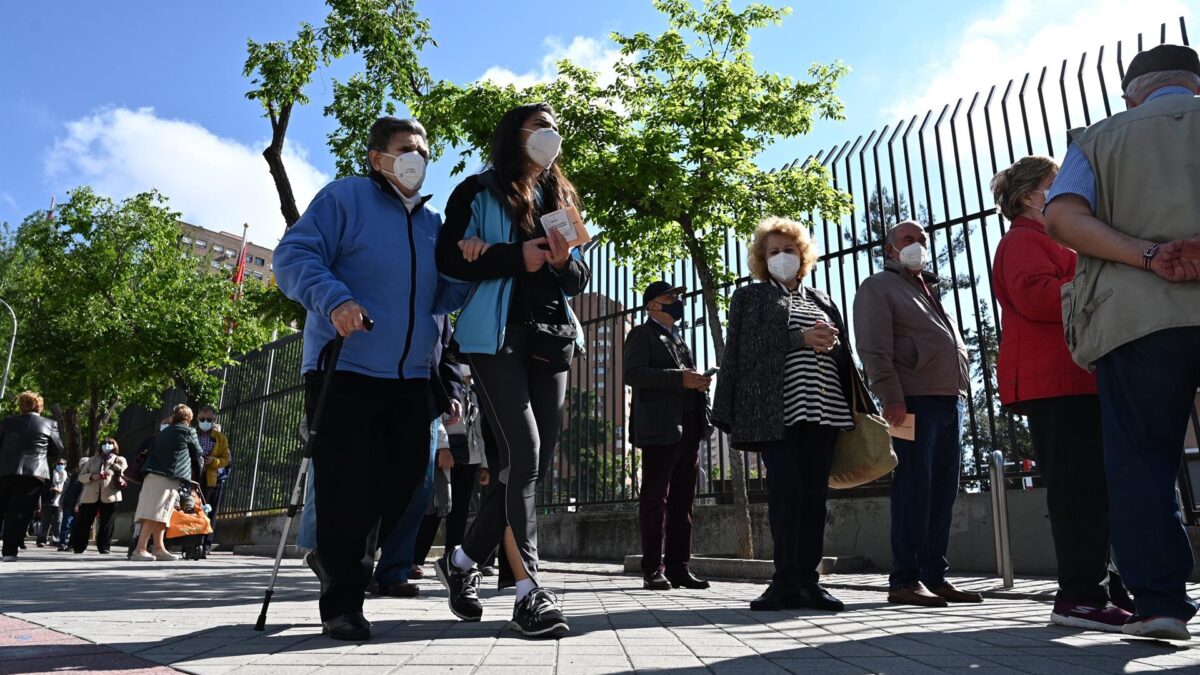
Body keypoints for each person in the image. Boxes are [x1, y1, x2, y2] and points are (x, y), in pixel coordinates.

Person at [275, 116, 463, 642]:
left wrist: (470, 274)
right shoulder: (345, 199)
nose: (417, 158)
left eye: (424, 150)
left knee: (404, 486)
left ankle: (342, 559)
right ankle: (343, 603)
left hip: (410, 378)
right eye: (407, 148)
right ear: (377, 158)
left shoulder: (433, 223)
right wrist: (335, 300)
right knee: (345, 492)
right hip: (346, 367)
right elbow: (293, 256)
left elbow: (443, 297)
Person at [1044, 44, 1200, 641]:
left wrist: (1151, 254)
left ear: (1132, 92)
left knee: (1142, 462)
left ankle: (1160, 603)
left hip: (1137, 318)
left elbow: (1063, 218)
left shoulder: (1099, 138)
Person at [434, 102, 590, 638]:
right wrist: (507, 255)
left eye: (554, 125)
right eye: (537, 125)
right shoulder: (475, 191)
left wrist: (565, 261)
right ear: (513, 134)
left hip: (554, 336)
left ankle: (458, 564)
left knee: (532, 463)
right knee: (522, 453)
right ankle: (529, 592)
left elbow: (577, 279)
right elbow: (448, 259)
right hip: (496, 338)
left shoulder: (561, 195)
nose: (548, 133)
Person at [990, 156, 1133, 631]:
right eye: (1055, 185)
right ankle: (1079, 595)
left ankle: (1102, 585)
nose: (1066, 192)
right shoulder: (1022, 241)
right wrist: (1097, 284)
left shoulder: (1047, 239)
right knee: (1078, 490)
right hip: (1055, 382)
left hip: (1073, 377)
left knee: (1094, 487)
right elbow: (1036, 296)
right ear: (1031, 197)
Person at [712, 217, 862, 612]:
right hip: (777, 413)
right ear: (762, 259)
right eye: (773, 251)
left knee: (815, 497)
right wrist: (800, 338)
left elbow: (844, 354)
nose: (782, 257)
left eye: (789, 250)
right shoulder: (750, 298)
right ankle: (783, 581)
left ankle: (808, 582)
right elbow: (746, 352)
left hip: (825, 412)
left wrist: (833, 345)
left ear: (803, 255)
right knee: (786, 492)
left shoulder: (823, 299)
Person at [853, 220, 979, 608]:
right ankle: (904, 579)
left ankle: (933, 576)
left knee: (943, 491)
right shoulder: (878, 286)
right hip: (910, 403)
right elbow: (874, 349)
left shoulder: (928, 290)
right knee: (913, 487)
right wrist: (891, 398)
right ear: (890, 249)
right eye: (908, 239)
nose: (918, 245)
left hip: (948, 402)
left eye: (923, 239)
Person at [625, 280, 712, 591]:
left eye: (678, 295)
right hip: (660, 428)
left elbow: (684, 380)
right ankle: (652, 569)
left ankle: (679, 567)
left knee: (683, 501)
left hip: (688, 426)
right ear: (652, 305)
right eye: (670, 296)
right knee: (655, 499)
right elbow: (633, 374)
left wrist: (698, 382)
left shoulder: (679, 340)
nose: (677, 300)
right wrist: (681, 379)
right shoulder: (641, 333)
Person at [413, 369, 490, 575]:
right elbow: (436, 420)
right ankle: (416, 558)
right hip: (447, 453)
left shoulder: (472, 393)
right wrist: (442, 447)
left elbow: (478, 430)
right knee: (439, 506)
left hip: (469, 456)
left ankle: (452, 560)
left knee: (461, 510)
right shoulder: (445, 388)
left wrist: (483, 464)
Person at [132, 404, 201, 562]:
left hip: (154, 474)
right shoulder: (188, 430)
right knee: (155, 513)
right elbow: (198, 451)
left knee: (163, 513)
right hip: (167, 476)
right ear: (189, 418)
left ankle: (158, 548)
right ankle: (140, 549)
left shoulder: (165, 431)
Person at [0, 391, 64, 561]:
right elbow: (57, 448)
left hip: (5, 471)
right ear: (40, 406)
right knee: (19, 512)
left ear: (21, 405)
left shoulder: (7, 422)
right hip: (33, 473)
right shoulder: (50, 424)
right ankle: (9, 551)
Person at [71, 437, 128, 554]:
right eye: (104, 443)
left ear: (114, 445)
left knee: (107, 523)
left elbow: (125, 474)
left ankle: (104, 547)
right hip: (90, 495)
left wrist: (117, 468)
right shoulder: (92, 460)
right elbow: (81, 476)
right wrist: (92, 476)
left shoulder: (119, 459)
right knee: (84, 522)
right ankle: (79, 546)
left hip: (110, 495)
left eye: (110, 443)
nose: (107, 445)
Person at [194, 405, 229, 558]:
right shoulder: (192, 434)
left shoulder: (220, 438)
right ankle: (192, 541)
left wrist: (213, 461)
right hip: (193, 477)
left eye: (209, 419)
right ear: (197, 419)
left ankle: (206, 544)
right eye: (202, 419)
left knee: (210, 512)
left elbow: (226, 459)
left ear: (214, 420)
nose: (205, 422)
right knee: (193, 509)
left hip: (212, 479)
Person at [37, 458, 67, 547]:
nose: (60, 465)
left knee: (58, 522)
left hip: (60, 502)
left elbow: (68, 489)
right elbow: (43, 488)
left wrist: (60, 491)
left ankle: (56, 540)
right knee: (45, 522)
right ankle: (41, 540)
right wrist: (51, 489)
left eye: (62, 464)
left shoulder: (67, 476)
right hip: (48, 502)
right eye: (58, 463)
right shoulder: (49, 475)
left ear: (65, 465)